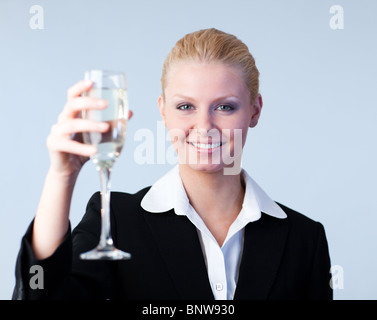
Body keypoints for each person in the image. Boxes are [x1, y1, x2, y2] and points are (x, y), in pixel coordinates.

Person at [13, 28, 332, 300]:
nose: (204, 126)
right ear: (163, 112)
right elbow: (42, 292)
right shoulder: (114, 219)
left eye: (224, 106)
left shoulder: (305, 239)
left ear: (254, 111)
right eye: (185, 106)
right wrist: (62, 175)